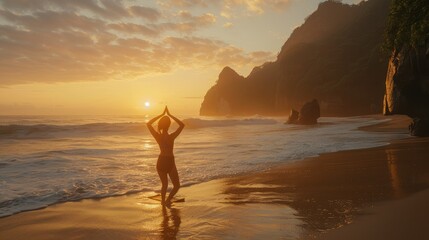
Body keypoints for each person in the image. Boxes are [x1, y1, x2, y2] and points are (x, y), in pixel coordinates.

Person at [147, 106, 185, 205]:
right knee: (176, 186)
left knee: (164, 185)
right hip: (169, 161)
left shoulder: (157, 136)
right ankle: (168, 200)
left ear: (160, 125)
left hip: (161, 161)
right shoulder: (171, 137)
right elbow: (182, 125)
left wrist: (161, 115)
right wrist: (170, 115)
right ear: (168, 125)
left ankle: (163, 202)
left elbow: (148, 124)